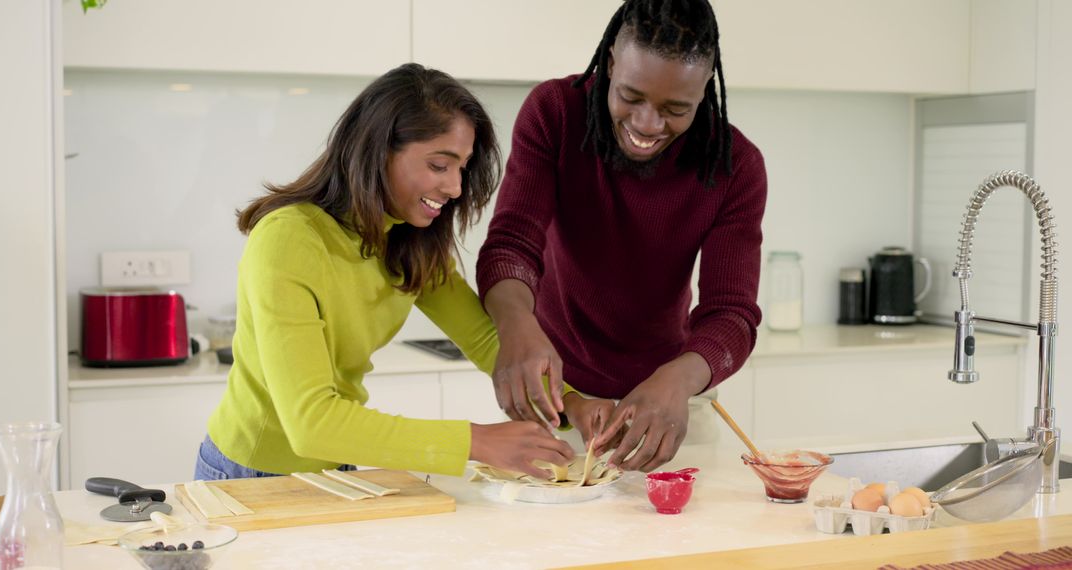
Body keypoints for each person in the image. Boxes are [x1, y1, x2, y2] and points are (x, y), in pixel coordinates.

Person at [195, 63, 573, 482]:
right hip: (251, 473)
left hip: (336, 464)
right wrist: (478, 442)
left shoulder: (408, 239)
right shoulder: (289, 239)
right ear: (379, 150)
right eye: (439, 165)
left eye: (462, 167)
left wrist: (574, 405)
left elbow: (486, 340)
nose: (456, 188)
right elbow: (311, 424)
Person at [476, 0, 768, 473]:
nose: (647, 124)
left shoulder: (735, 166)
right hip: (555, 400)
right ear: (611, 61)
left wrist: (676, 381)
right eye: (631, 96)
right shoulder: (555, 113)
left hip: (669, 404)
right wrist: (516, 327)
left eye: (677, 109)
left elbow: (731, 313)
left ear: (705, 88)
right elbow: (511, 244)